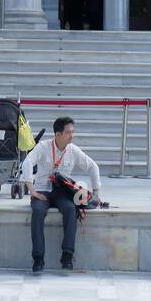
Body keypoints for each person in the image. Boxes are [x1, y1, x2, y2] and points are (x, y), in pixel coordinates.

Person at [21, 115, 104, 273]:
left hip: (61, 193)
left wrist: (96, 192)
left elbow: (92, 166)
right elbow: (27, 162)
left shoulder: (72, 150)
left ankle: (67, 255)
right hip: (42, 191)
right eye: (68, 133)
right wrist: (32, 190)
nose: (71, 136)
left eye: (72, 132)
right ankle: (38, 258)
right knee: (38, 211)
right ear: (57, 134)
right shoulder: (44, 146)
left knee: (70, 209)